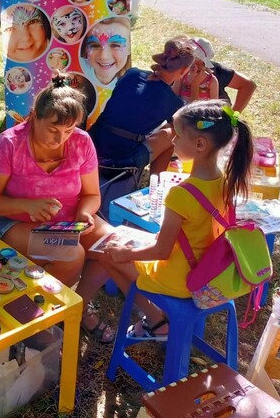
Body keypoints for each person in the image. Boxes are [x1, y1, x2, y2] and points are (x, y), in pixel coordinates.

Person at [95, 99, 254, 340]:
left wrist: (124, 254)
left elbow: (161, 251)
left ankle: (155, 320)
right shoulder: (225, 180)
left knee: (107, 254)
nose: (172, 141)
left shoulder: (182, 194)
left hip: (181, 278)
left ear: (200, 144)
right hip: (207, 268)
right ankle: (156, 317)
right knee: (124, 240)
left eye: (178, 136)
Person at [0, 76, 115, 340]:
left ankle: (76, 306)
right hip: (12, 222)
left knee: (111, 245)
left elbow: (91, 194)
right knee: (72, 254)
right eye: (53, 129)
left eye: (69, 130)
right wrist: (26, 206)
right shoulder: (9, 145)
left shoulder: (82, 141)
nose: (61, 138)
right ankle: (37, 314)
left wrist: (85, 213)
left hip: (69, 220)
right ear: (33, 116)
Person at [88, 36, 195, 175]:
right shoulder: (172, 102)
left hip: (92, 145)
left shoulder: (132, 74)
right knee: (172, 133)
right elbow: (186, 128)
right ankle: (155, 183)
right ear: (185, 70)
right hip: (120, 160)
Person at [79, 17, 131, 89]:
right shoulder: (74, 69)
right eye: (94, 45)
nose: (104, 56)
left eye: (115, 45)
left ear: (129, 48)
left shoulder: (131, 85)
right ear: (85, 47)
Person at [173, 37, 219, 104]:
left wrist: (195, 84)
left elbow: (214, 107)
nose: (195, 67)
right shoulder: (183, 75)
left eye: (200, 64)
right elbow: (173, 97)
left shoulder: (211, 81)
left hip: (200, 113)